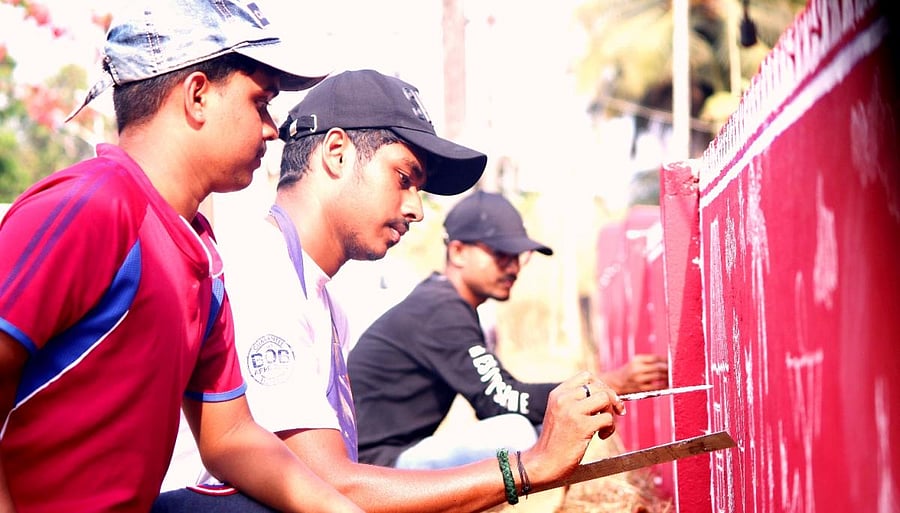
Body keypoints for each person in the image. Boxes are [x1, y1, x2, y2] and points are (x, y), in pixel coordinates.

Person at [154, 68, 625, 513]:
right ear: (336, 154)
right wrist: (528, 467)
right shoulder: (263, 273)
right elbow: (327, 488)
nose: (416, 210)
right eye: (404, 178)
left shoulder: (320, 294)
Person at [0, 2, 365, 512]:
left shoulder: (200, 250)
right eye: (261, 102)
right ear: (197, 96)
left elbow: (229, 436)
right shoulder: (92, 206)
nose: (273, 128)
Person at [348, 191, 668, 470]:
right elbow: (500, 402)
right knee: (515, 433)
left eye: (518, 256)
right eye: (501, 254)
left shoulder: (443, 303)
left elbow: (498, 398)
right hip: (373, 469)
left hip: (385, 460)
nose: (513, 267)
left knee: (537, 425)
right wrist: (606, 384)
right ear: (458, 252)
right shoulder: (439, 309)